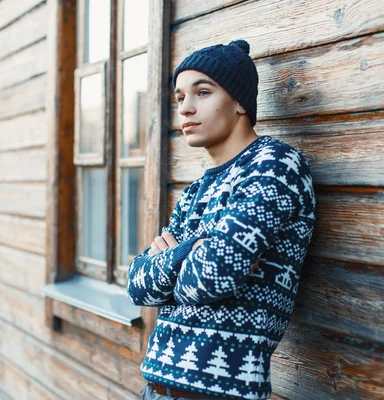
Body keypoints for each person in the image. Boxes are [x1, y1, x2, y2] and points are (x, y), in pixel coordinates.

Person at [127, 39, 316, 400]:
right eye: (180, 97)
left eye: (202, 92)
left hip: (219, 391)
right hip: (155, 388)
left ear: (240, 101)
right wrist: (190, 251)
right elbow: (138, 284)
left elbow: (212, 275)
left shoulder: (274, 166)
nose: (186, 108)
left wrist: (171, 260)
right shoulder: (197, 189)